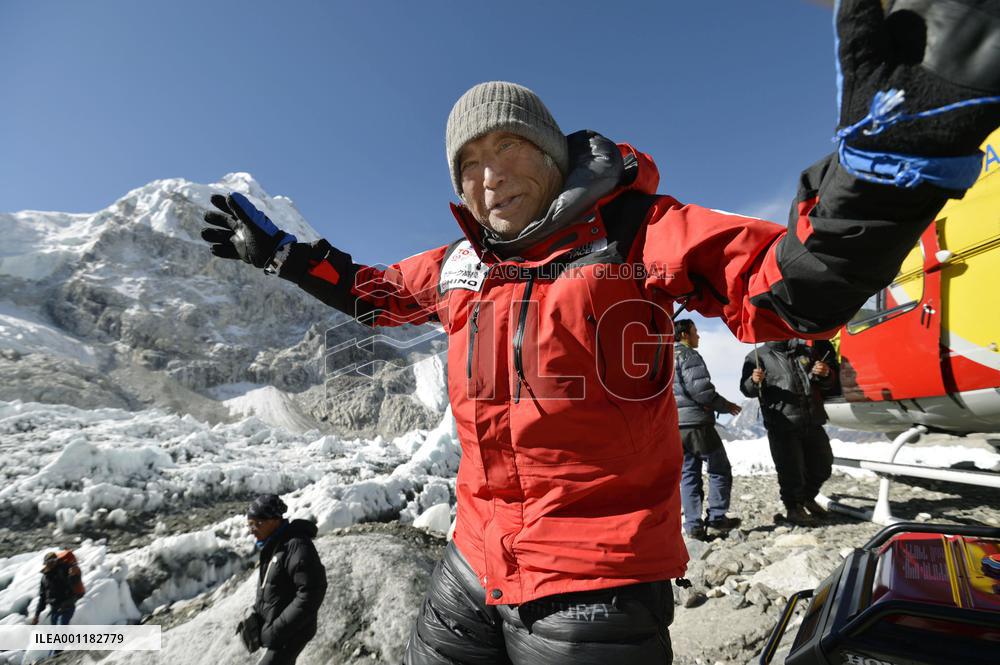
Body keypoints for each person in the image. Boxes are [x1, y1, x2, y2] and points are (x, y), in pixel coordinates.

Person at [200, 3, 1000, 662]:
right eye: (468, 163)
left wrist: (884, 175)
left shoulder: (635, 232)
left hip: (596, 581)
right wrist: (284, 257)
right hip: (472, 562)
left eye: (507, 145)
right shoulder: (457, 266)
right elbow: (375, 296)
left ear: (552, 152)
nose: (488, 175)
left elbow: (785, 287)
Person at [740, 340, 837, 525]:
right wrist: (753, 381)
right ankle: (794, 508)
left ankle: (807, 498)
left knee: (824, 464)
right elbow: (746, 389)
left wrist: (826, 374)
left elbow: (826, 383)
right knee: (790, 470)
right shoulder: (757, 356)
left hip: (812, 418)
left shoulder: (807, 351)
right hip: (782, 423)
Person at [673, 319, 741, 540]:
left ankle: (693, 525)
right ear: (685, 335)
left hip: (676, 425)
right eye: (695, 331)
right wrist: (724, 405)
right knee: (719, 468)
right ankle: (717, 519)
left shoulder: (662, 356)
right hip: (697, 424)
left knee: (688, 474)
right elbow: (701, 389)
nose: (699, 336)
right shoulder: (687, 355)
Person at [240, 494, 327, 665]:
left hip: (292, 632)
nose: (251, 530)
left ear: (274, 521)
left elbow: (312, 592)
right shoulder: (274, 544)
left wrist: (276, 630)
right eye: (249, 524)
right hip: (280, 629)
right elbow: (274, 586)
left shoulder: (296, 546)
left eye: (256, 524)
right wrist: (258, 614)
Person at [31, 551, 84, 626]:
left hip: (67, 607)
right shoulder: (44, 578)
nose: (52, 563)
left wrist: (74, 574)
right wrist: (37, 615)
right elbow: (42, 597)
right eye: (50, 561)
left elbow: (74, 581)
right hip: (54, 609)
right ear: (45, 563)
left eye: (54, 560)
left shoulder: (64, 569)